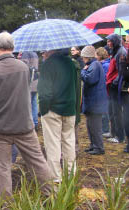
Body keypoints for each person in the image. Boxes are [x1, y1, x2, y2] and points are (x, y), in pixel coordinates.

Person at [0, 32, 52, 200]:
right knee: (38, 162)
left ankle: (6, 206)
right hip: (24, 127)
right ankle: (50, 196)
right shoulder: (24, 68)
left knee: (2, 168)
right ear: (13, 48)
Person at [38, 48, 77, 183]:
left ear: (51, 50)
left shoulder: (48, 65)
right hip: (70, 109)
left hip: (53, 110)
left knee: (53, 145)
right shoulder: (71, 63)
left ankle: (56, 180)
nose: (43, 54)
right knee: (69, 143)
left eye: (44, 51)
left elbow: (44, 93)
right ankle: (70, 177)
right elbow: (76, 87)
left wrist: (43, 110)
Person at [80, 46, 108, 155]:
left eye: (83, 57)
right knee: (90, 125)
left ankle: (99, 147)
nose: (82, 59)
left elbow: (90, 79)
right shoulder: (92, 64)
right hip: (93, 101)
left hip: (95, 102)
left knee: (95, 126)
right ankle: (93, 145)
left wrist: (82, 71)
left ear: (87, 56)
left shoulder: (94, 65)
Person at [105, 33, 127, 144]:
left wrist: (115, 82)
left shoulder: (121, 52)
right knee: (111, 111)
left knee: (117, 112)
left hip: (116, 87)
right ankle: (112, 132)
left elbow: (121, 70)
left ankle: (120, 136)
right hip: (111, 85)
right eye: (108, 41)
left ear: (115, 41)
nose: (108, 43)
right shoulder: (114, 51)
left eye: (110, 41)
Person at [18, 51, 39, 131]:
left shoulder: (26, 53)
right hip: (35, 80)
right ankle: (35, 122)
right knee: (34, 102)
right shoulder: (35, 53)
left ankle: (29, 124)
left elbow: (23, 66)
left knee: (27, 103)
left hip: (28, 81)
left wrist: (18, 60)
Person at [95, 47, 111, 137]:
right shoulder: (102, 64)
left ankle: (105, 130)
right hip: (102, 90)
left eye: (96, 55)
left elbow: (105, 78)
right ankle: (103, 129)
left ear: (100, 55)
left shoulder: (105, 65)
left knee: (105, 111)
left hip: (104, 90)